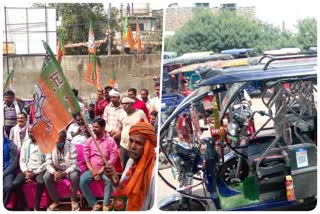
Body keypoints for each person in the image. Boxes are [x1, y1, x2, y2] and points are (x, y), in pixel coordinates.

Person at [104, 120, 157, 211]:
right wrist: (116, 183)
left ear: (148, 147)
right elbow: (124, 197)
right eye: (131, 140)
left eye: (138, 143)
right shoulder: (131, 161)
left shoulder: (153, 174)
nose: (132, 146)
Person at [80, 118, 118, 211]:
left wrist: (101, 171)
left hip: (105, 170)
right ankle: (94, 204)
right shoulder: (89, 140)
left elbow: (113, 158)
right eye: (93, 127)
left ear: (103, 127)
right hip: (92, 169)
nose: (93, 129)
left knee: (109, 180)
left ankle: (106, 203)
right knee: (82, 181)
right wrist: (93, 171)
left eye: (96, 127)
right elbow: (86, 158)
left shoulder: (110, 140)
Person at [11, 125, 46, 211]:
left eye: (32, 132)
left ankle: (36, 205)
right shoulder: (26, 144)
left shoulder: (44, 143)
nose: (30, 134)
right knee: (16, 183)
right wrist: (26, 172)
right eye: (29, 132)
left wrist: (35, 173)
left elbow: (47, 162)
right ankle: (25, 206)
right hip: (27, 169)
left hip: (39, 170)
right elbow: (22, 160)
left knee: (41, 182)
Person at [44, 131, 80, 211]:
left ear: (64, 139)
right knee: (46, 177)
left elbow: (74, 165)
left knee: (74, 176)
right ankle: (56, 201)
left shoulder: (71, 146)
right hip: (56, 170)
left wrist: (64, 173)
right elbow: (48, 164)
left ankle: (73, 200)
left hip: (68, 169)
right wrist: (54, 172)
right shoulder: (51, 145)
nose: (57, 142)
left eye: (59, 140)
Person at [116, 96, 147, 168]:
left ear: (132, 104)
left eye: (126, 103)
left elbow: (146, 127)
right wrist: (112, 138)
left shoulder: (140, 113)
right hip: (123, 145)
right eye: (123, 103)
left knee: (136, 167)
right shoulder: (121, 115)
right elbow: (120, 129)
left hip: (136, 146)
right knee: (124, 167)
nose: (124, 105)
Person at [3, 136, 18, 206]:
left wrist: (2, 174)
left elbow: (13, 164)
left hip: (8, 171)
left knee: (8, 186)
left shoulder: (11, 145)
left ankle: (3, 204)